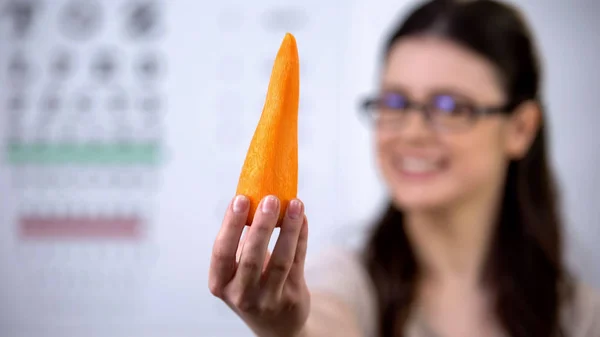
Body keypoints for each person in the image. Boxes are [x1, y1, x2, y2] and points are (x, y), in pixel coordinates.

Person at [208, 0, 600, 336]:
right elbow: (321, 320)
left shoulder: (580, 316)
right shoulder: (351, 282)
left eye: (450, 106)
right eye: (395, 103)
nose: (410, 132)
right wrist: (290, 329)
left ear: (520, 128)